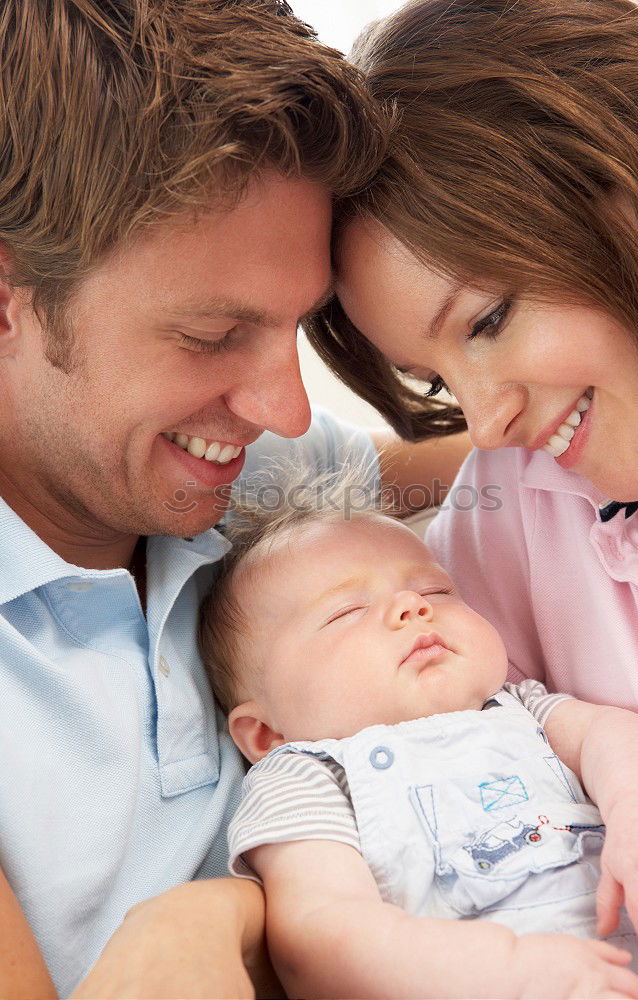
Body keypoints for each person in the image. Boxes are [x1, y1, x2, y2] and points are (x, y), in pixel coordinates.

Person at [0, 1, 473, 995]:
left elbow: (467, 468)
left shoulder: (242, 480)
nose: (287, 410)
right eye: (215, 335)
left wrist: (227, 906)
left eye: (296, 327)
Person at [304, 0, 638, 724]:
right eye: (434, 380)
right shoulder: (506, 519)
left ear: (625, 196)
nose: (486, 424)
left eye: (488, 320)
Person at [197, 465, 638, 999]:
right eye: (348, 610)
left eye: (437, 590)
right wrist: (504, 970)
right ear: (264, 734)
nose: (412, 607)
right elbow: (322, 934)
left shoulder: (521, 709)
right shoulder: (309, 777)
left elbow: (617, 736)